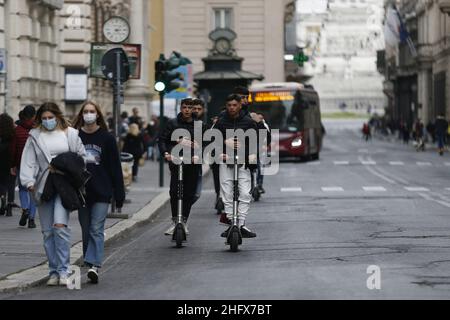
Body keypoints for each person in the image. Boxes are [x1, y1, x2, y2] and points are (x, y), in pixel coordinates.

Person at [20, 102, 86, 287]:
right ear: (40, 120)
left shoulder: (70, 134)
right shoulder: (35, 136)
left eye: (51, 117)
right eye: (44, 118)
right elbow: (28, 160)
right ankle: (54, 270)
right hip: (43, 185)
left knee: (60, 226)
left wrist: (70, 168)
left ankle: (64, 269)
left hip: (64, 185)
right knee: (48, 232)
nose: (48, 121)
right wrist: (29, 182)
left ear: (57, 116)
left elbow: (81, 156)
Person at [73, 101, 125, 284]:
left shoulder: (107, 138)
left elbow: (115, 167)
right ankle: (90, 260)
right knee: (86, 230)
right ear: (81, 115)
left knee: (96, 228)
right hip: (82, 192)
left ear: (97, 115)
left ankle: (94, 265)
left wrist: (119, 194)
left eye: (91, 111)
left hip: (102, 190)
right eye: (85, 111)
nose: (88, 114)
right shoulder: (75, 136)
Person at [215, 94, 258, 239]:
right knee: (226, 193)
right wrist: (223, 145)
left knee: (245, 193)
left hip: (243, 162)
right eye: (229, 105)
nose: (232, 108)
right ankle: (232, 222)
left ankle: (240, 224)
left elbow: (254, 142)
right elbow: (210, 140)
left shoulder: (249, 122)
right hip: (226, 161)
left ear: (240, 105)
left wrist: (251, 155)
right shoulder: (220, 122)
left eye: (234, 105)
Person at [158, 98, 202, 236]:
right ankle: (175, 220)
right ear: (181, 108)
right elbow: (162, 139)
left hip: (193, 162)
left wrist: (198, 155)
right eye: (184, 107)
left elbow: (205, 142)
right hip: (176, 161)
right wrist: (166, 153)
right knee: (174, 192)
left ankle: (184, 221)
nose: (187, 110)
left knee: (189, 193)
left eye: (190, 107)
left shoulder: (198, 125)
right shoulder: (172, 123)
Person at [11, 105, 37, 227]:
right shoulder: (37, 130)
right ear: (33, 116)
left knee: (22, 189)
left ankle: (25, 209)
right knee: (33, 191)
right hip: (35, 166)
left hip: (21, 164)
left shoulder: (17, 130)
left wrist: (13, 165)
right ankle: (31, 219)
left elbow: (14, 150)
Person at [192, 98, 207, 204]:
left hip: (197, 162)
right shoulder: (183, 123)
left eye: (199, 109)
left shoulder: (204, 125)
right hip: (182, 160)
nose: (196, 111)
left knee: (196, 194)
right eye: (194, 108)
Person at [0, 113, 15, 217]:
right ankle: (9, 204)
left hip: (1, 158)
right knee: (9, 183)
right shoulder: (12, 133)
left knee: (0, 182)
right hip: (9, 160)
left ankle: (1, 197)